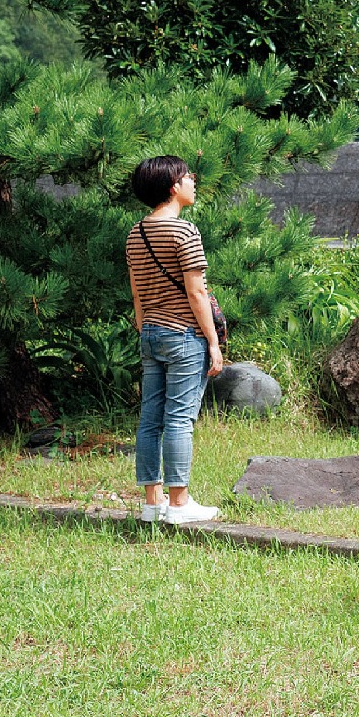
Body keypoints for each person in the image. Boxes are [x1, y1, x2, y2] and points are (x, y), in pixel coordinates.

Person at [125, 156, 224, 524]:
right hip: (183, 335)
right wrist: (212, 343)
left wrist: (145, 328)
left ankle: (152, 503)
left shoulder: (136, 233)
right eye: (187, 176)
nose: (193, 181)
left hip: (150, 333)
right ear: (172, 187)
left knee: (150, 418)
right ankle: (180, 504)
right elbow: (196, 293)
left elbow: (137, 293)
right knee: (180, 420)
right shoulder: (185, 232)